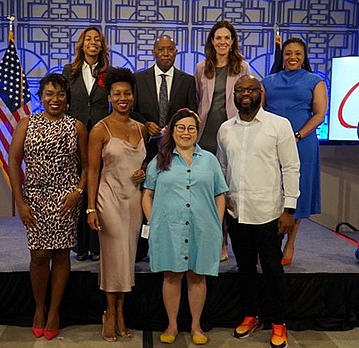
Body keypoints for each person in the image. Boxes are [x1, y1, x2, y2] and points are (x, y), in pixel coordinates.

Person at [216, 75, 300, 348]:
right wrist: (224, 196)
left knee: (273, 270)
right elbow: (223, 167)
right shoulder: (225, 129)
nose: (245, 94)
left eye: (251, 89)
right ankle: (251, 315)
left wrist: (290, 209)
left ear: (260, 93)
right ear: (234, 95)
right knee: (245, 269)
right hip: (237, 211)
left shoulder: (279, 125)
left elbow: (291, 168)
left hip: (269, 212)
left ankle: (278, 323)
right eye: (240, 90)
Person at [8, 73, 88, 340]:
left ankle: (54, 312)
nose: (55, 99)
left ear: (68, 98)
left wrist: (78, 193)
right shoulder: (26, 124)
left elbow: (88, 167)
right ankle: (39, 308)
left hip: (66, 199)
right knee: (40, 255)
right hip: (35, 198)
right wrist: (20, 202)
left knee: (62, 254)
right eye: (49, 94)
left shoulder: (76, 126)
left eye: (60, 94)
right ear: (41, 96)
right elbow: (13, 164)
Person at [142, 108, 228, 345]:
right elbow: (147, 194)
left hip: (202, 228)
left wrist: (217, 222)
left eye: (191, 128)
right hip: (170, 228)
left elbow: (221, 194)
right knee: (171, 276)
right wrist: (153, 221)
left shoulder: (209, 160)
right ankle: (172, 324)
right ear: (172, 131)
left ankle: (196, 326)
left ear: (197, 131)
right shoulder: (159, 160)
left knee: (197, 277)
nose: (186, 132)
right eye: (181, 127)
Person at [86, 67, 147, 342]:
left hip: (134, 200)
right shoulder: (100, 129)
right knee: (114, 259)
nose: (123, 98)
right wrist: (91, 208)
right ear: (109, 97)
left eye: (127, 93)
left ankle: (122, 313)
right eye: (117, 94)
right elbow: (92, 171)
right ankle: (110, 314)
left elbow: (145, 162)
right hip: (108, 199)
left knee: (127, 258)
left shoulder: (141, 128)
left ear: (133, 97)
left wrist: (144, 171)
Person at [132, 34, 198, 262]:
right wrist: (144, 124)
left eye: (170, 49)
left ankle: (174, 246)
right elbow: (131, 112)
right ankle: (142, 250)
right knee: (145, 197)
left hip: (177, 151)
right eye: (162, 49)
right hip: (145, 150)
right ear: (154, 52)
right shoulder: (138, 79)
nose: (166, 53)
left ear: (176, 53)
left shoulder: (187, 81)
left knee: (173, 199)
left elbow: (192, 113)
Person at [262, 37, 327, 266]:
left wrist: (298, 135)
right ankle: (269, 244)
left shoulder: (314, 80)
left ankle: (290, 243)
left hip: (303, 143)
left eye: (298, 53)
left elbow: (319, 114)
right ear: (282, 55)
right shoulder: (268, 81)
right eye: (288, 53)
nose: (292, 57)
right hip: (270, 144)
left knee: (296, 193)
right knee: (271, 192)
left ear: (304, 56)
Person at [195, 20, 250, 262]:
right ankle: (210, 239)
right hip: (206, 132)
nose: (223, 42)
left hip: (232, 131)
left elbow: (247, 97)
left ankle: (225, 241)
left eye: (227, 38)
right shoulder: (201, 67)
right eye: (218, 38)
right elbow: (198, 98)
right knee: (207, 189)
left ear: (232, 42)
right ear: (212, 41)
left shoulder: (242, 67)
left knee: (226, 189)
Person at [63, 26, 111, 262]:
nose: (93, 42)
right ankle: (80, 245)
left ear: (102, 46)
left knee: (97, 187)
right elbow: (63, 103)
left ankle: (96, 245)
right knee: (79, 187)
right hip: (76, 135)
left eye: (97, 39)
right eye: (88, 39)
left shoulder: (109, 72)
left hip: (101, 137)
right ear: (81, 44)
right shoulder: (68, 72)